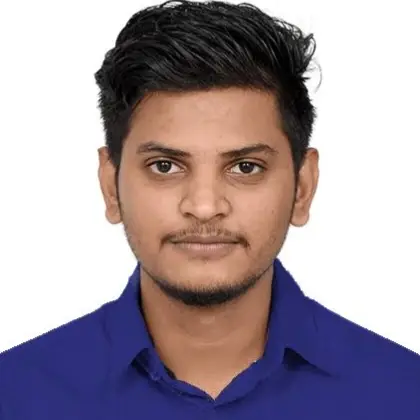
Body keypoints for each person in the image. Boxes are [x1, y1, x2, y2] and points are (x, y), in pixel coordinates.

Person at [1, 0, 419, 418]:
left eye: (245, 167)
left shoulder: (404, 394)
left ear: (302, 188)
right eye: (165, 166)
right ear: (111, 186)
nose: (204, 207)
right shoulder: (14, 395)